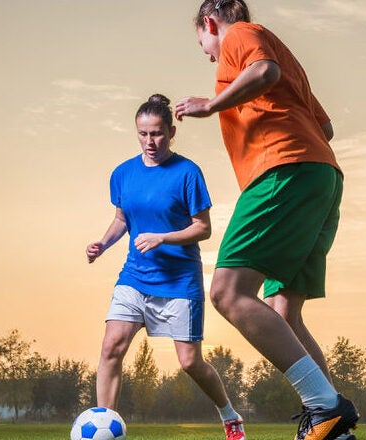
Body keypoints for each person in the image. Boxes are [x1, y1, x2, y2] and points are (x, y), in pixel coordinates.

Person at [174, 2, 359, 439]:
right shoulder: (287, 56)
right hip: (321, 175)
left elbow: (263, 73)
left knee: (227, 292)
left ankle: (324, 407)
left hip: (282, 172)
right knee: (285, 312)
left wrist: (211, 104)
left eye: (203, 43)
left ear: (210, 23)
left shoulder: (240, 34)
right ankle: (335, 430)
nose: (209, 54)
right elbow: (325, 127)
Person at [86, 94, 246, 440]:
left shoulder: (187, 173)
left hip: (178, 281)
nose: (149, 142)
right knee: (111, 345)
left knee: (190, 362)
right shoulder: (123, 173)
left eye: (157, 134)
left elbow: (203, 228)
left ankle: (230, 415)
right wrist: (102, 243)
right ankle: (105, 429)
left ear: (171, 132)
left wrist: (163, 238)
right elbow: (122, 218)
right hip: (135, 276)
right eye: (143, 134)